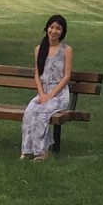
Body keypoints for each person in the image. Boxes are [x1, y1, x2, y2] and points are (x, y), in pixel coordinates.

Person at [20, 15, 72, 160]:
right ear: (47, 28)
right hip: (43, 94)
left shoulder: (66, 50)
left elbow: (66, 77)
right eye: (51, 27)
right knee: (30, 111)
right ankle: (27, 150)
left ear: (62, 31)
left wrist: (50, 96)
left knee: (42, 113)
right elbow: (37, 74)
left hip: (59, 95)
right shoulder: (39, 49)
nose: (54, 31)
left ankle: (41, 151)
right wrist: (42, 94)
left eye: (58, 28)